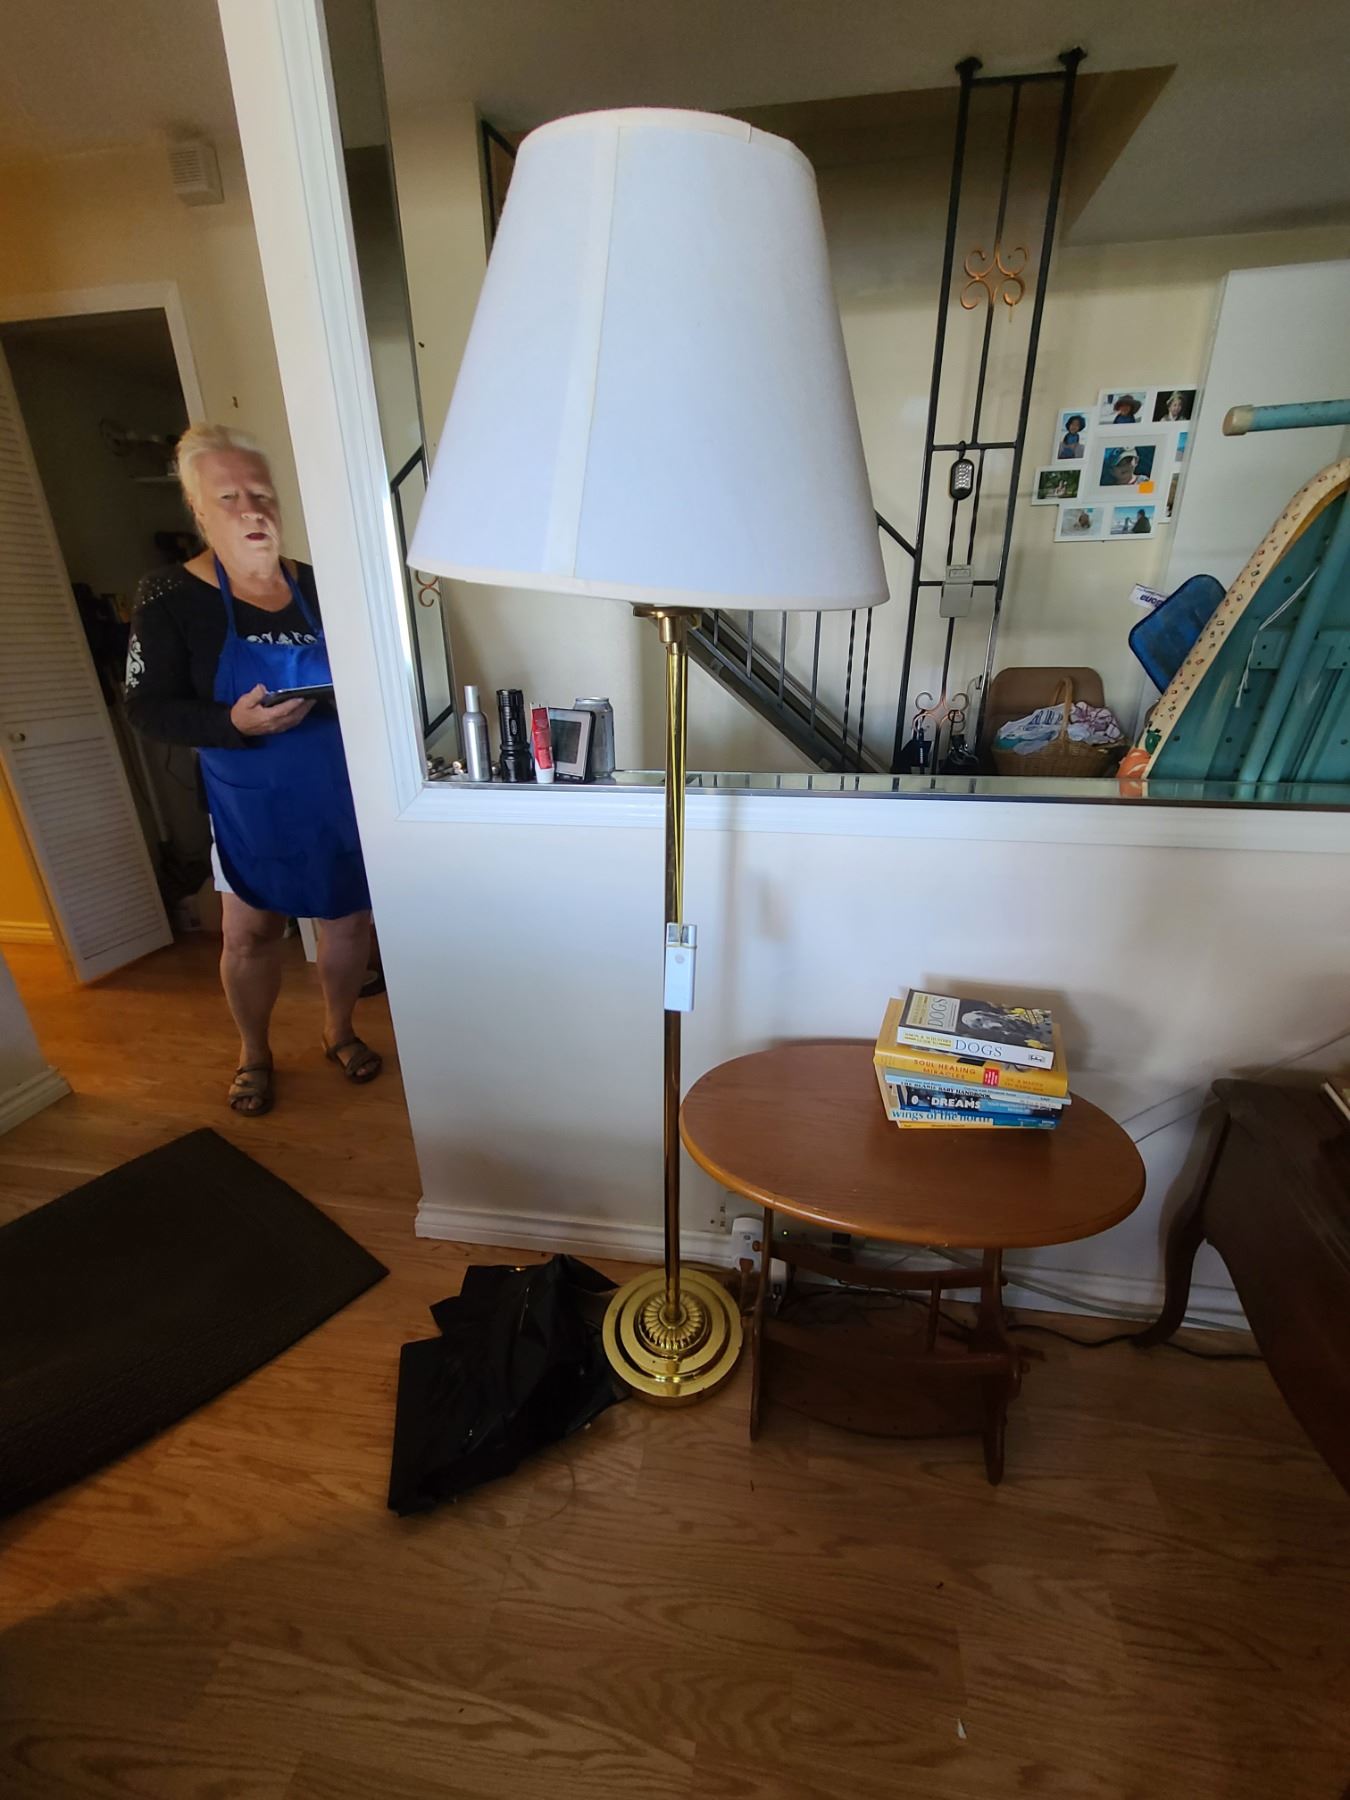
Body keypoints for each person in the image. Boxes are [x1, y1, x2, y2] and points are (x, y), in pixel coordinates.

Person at [126, 423, 381, 1116]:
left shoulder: (319, 585)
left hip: (337, 791)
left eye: (262, 493)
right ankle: (254, 1053)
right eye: (229, 496)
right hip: (248, 798)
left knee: (347, 921)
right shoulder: (169, 595)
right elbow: (146, 708)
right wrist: (230, 724)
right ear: (198, 509)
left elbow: (374, 675)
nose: (251, 509)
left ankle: (338, 1031)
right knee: (250, 933)